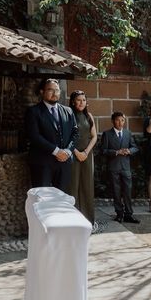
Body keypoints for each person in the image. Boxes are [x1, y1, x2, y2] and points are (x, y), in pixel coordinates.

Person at [25, 78, 78, 191]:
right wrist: (56, 151)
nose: (55, 93)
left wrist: (68, 151)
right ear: (42, 92)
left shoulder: (68, 111)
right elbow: (34, 136)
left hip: (64, 163)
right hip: (42, 163)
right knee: (42, 199)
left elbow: (75, 133)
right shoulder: (33, 112)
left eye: (57, 90)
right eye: (50, 90)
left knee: (61, 198)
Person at [101, 112, 140, 224]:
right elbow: (103, 151)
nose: (120, 123)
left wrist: (129, 151)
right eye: (118, 120)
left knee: (128, 191)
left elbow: (134, 147)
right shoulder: (107, 134)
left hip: (126, 167)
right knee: (116, 191)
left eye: (122, 120)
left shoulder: (128, 133)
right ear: (113, 121)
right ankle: (119, 214)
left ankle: (129, 214)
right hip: (114, 167)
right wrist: (116, 152)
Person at [67, 90, 97, 227]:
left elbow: (94, 136)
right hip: (72, 154)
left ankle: (87, 221)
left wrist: (85, 152)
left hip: (87, 156)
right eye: (78, 100)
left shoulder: (89, 116)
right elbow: (65, 137)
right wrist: (76, 152)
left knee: (87, 186)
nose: (81, 103)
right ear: (73, 101)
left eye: (84, 100)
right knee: (72, 185)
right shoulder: (68, 114)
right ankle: (72, 221)